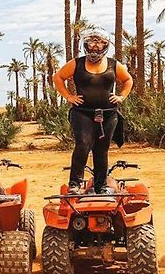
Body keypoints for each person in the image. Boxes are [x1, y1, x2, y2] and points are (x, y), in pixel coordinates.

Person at [53, 27, 133, 195]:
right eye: (92, 42)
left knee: (101, 150)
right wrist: (69, 96)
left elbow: (127, 80)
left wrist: (121, 97)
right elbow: (58, 77)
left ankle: (101, 186)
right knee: (83, 145)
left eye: (100, 42)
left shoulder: (113, 64)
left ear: (106, 44)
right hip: (82, 113)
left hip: (108, 114)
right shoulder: (77, 63)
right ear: (86, 44)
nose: (95, 46)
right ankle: (74, 184)